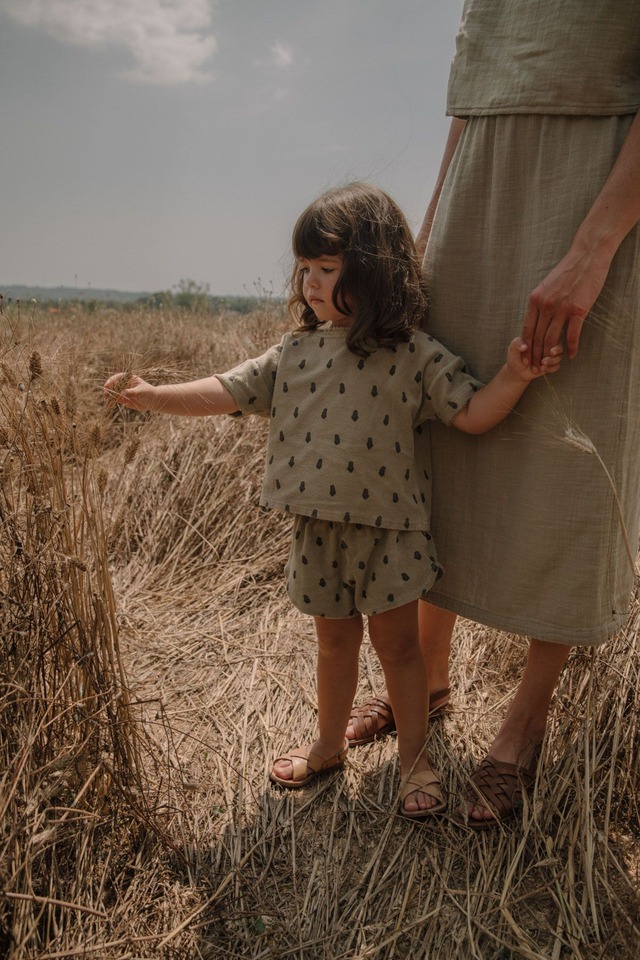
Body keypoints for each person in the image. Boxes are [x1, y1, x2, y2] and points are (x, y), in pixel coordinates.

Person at [103, 182, 561, 819]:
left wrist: (515, 373)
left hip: (391, 533)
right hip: (315, 531)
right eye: (304, 270)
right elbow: (228, 391)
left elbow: (474, 414)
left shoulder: (412, 355)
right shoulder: (295, 352)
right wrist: (156, 396)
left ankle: (414, 761)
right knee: (333, 646)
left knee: (399, 651)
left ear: (373, 274)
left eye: (326, 269)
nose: (310, 284)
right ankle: (327, 745)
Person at [347, 0, 640, 828]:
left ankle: (525, 723)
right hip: (481, 182)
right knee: (445, 436)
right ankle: (428, 681)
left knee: (573, 451)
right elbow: (471, 96)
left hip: (599, 185)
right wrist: (432, 231)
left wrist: (593, 251)